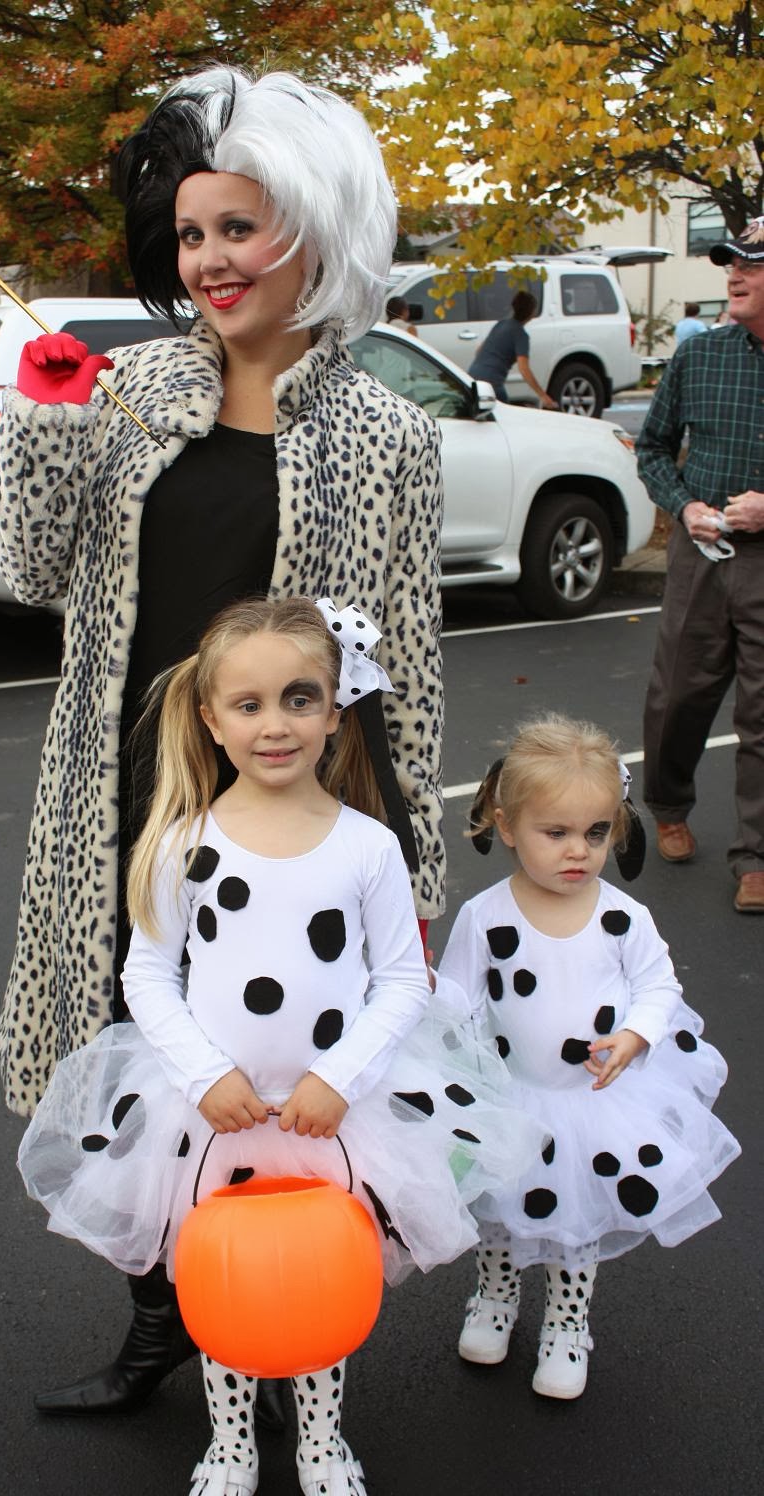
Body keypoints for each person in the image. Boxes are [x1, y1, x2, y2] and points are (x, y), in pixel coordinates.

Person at [0, 66, 446, 1416]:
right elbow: (26, 567)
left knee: (279, 1067)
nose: (210, 261)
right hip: (125, 798)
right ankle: (161, 1318)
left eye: (238, 227)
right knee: (147, 1062)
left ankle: (285, 1321)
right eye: (191, 235)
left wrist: (412, 855)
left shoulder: (387, 434)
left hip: (295, 824)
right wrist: (45, 416)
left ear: (313, 227)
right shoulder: (130, 392)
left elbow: (402, 660)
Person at [18, 597, 543, 1494]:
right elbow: (148, 977)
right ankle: (227, 1442)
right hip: (211, 1119)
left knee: (317, 1284)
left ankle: (321, 1438)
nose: (276, 724)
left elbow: (401, 979)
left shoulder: (368, 848)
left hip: (328, 1119)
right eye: (250, 704)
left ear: (335, 713)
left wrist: (338, 1078)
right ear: (211, 719)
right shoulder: (182, 843)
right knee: (221, 1286)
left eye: (300, 699)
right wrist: (204, 1072)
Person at [436, 715, 740, 1400]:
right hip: (511, 1094)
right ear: (507, 825)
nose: (578, 851)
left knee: (577, 1219)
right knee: (499, 1207)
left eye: (595, 833)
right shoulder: (486, 916)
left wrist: (634, 1035)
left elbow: (658, 985)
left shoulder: (621, 918)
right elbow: (455, 1000)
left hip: (593, 1104)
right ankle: (493, 1295)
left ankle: (568, 1323)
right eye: (556, 833)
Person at [637, 216, 764, 913]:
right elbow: (651, 448)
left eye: (751, 264)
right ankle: (667, 803)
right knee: (679, 692)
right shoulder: (698, 357)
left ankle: (756, 857)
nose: (733, 275)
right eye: (731, 263)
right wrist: (681, 505)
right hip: (702, 550)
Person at [468, 290, 558, 407]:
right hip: (492, 384)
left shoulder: (501, 324)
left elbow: (479, 350)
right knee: (505, 416)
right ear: (532, 313)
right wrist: (543, 395)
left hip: (472, 376)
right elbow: (524, 369)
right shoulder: (521, 335)